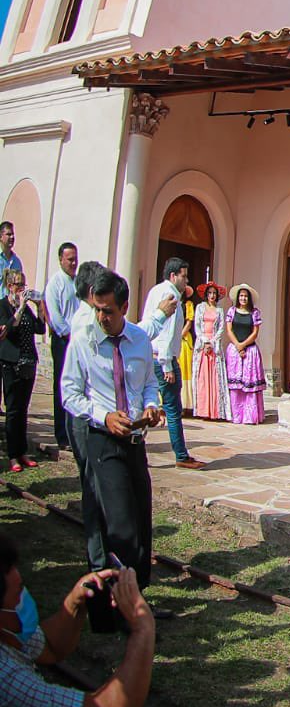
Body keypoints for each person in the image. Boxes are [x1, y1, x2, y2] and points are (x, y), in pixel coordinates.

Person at [59, 270, 163, 635]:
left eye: (109, 311)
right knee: (119, 526)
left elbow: (149, 383)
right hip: (102, 439)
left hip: (135, 441)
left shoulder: (138, 341)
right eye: (98, 309)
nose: (102, 317)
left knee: (141, 520)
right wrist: (102, 415)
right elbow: (69, 393)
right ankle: (113, 609)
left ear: (125, 307)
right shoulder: (83, 341)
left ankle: (134, 598)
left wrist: (150, 407)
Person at [0, 534, 155, 707]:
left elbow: (49, 648)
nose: (24, 596)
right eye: (19, 593)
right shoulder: (5, 679)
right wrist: (143, 628)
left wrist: (74, 603)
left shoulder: (8, 631)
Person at [140, 259, 203, 470]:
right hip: (162, 358)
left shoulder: (155, 290)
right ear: (173, 276)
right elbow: (165, 331)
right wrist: (167, 365)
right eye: (184, 276)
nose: (186, 280)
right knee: (172, 409)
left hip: (151, 354)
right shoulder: (171, 296)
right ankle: (181, 455)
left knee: (146, 405)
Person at [1, 270, 46, 471]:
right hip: (10, 363)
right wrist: (19, 308)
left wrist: (40, 308)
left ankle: (22, 451)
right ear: (9, 286)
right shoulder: (3, 306)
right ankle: (12, 455)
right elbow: (9, 329)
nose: (22, 289)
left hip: (28, 362)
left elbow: (40, 328)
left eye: (23, 284)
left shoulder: (26, 308)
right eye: (18, 285)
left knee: (23, 409)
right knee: (13, 410)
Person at [43, 242, 79, 454]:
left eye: (75, 259)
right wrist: (68, 333)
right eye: (70, 259)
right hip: (63, 339)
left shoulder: (76, 283)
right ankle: (62, 434)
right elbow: (55, 317)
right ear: (61, 259)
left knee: (76, 386)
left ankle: (74, 432)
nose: (73, 263)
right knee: (61, 386)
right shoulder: (55, 283)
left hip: (76, 340)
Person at [223, 285, 266, 424]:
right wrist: (237, 345)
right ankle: (236, 415)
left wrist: (244, 345)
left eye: (245, 296)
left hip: (250, 350)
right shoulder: (232, 311)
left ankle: (250, 416)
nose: (243, 298)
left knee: (249, 383)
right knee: (235, 384)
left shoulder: (255, 313)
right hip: (235, 351)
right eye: (241, 296)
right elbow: (229, 330)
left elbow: (255, 332)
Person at [190, 282, 228, 421]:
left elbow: (221, 328)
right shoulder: (200, 308)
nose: (212, 296)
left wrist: (212, 342)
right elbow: (197, 326)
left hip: (214, 345)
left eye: (214, 293)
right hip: (202, 344)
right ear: (206, 295)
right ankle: (202, 409)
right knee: (202, 377)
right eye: (210, 293)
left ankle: (215, 410)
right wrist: (205, 341)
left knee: (215, 377)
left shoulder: (219, 310)